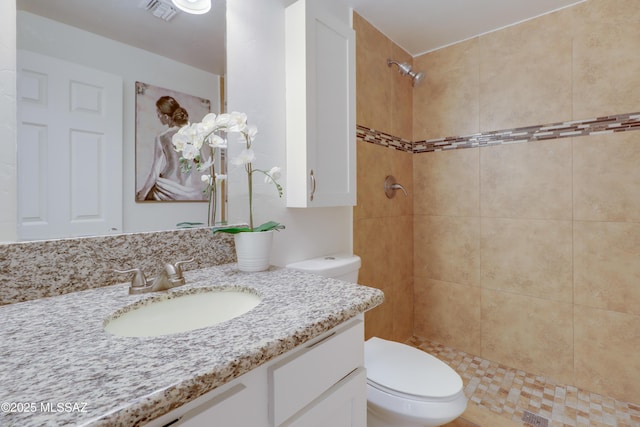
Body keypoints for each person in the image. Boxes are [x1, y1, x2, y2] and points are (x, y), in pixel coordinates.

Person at [136, 96, 203, 201]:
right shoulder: (194, 135)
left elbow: (154, 173)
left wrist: (142, 195)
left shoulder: (162, 137)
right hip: (188, 190)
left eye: (159, 113)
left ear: (166, 117)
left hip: (165, 187)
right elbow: (202, 164)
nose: (158, 116)